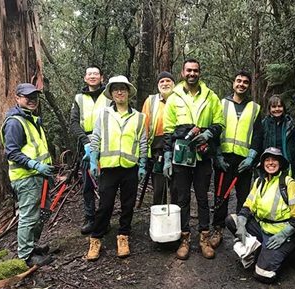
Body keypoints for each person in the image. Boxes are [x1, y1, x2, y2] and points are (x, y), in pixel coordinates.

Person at [162, 58, 224, 260]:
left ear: (200, 73)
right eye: (189, 70)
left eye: (196, 70)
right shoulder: (174, 97)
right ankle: (185, 238)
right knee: (182, 198)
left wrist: (209, 134)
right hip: (181, 155)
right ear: (182, 72)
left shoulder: (211, 96)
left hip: (203, 154)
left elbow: (219, 123)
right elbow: (169, 130)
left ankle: (204, 238)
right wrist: (168, 155)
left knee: (203, 197)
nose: (192, 73)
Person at [86, 75, 147, 261]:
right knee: (105, 205)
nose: (119, 92)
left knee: (128, 205)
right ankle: (96, 239)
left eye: (123, 88)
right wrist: (93, 160)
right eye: (115, 89)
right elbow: (96, 138)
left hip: (130, 168)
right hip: (109, 168)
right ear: (111, 94)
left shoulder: (139, 117)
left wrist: (143, 164)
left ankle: (123, 237)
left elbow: (142, 142)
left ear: (129, 92)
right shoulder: (104, 114)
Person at [225, 147, 295, 283]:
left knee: (263, 275)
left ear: (280, 163)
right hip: (261, 228)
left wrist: (283, 235)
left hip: (280, 235)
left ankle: (290, 253)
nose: (271, 163)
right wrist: (241, 225)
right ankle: (261, 249)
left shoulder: (288, 184)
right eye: (267, 160)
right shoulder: (259, 182)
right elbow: (247, 207)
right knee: (232, 220)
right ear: (262, 164)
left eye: (274, 160)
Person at [1, 83, 54, 267]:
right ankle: (26, 256)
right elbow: (12, 152)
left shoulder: (30, 118)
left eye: (34, 96)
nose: (32, 100)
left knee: (42, 213)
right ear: (17, 98)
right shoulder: (15, 122)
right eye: (27, 96)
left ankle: (31, 247)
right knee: (29, 216)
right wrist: (34, 165)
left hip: (39, 176)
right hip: (26, 177)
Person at [211, 70, 262, 248]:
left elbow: (257, 135)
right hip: (224, 158)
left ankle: (242, 230)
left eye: (245, 82)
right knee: (220, 196)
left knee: (243, 197)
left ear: (249, 86)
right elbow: (215, 129)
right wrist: (216, 154)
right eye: (238, 81)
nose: (241, 84)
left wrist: (251, 158)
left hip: (244, 160)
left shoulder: (255, 108)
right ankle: (217, 230)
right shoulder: (221, 104)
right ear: (233, 83)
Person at [69, 65, 111, 235]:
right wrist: (86, 142)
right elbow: (73, 122)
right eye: (89, 74)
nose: (93, 76)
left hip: (106, 143)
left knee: (105, 184)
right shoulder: (79, 98)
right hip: (85, 144)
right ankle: (89, 217)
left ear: (101, 78)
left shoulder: (109, 96)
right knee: (87, 183)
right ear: (85, 78)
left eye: (96, 74)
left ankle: (104, 219)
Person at [142, 71, 177, 205]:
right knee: (159, 188)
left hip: (176, 146)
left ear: (173, 84)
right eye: (162, 81)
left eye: (168, 81)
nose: (165, 84)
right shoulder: (150, 101)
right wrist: (144, 153)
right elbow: (144, 126)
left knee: (176, 188)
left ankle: (175, 218)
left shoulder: (180, 99)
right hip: (156, 149)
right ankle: (159, 218)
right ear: (157, 85)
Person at [262, 95, 295, 182]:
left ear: (284, 108)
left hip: (286, 164)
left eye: (280, 106)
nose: (277, 109)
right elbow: (260, 146)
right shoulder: (264, 125)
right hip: (269, 165)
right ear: (269, 109)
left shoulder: (290, 125)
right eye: (274, 106)